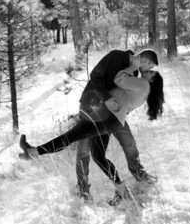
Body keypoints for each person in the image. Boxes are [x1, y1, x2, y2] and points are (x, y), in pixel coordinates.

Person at [19, 67, 164, 205]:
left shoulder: (143, 84)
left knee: (72, 136)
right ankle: (122, 190)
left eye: (151, 72)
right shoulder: (143, 90)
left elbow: (120, 79)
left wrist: (131, 65)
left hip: (105, 118)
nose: (147, 71)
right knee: (98, 156)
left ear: (152, 80)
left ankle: (34, 152)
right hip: (107, 118)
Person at [76, 48, 159, 200]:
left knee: (129, 142)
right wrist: (106, 98)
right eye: (150, 66)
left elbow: (125, 95)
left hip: (112, 114)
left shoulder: (133, 72)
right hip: (92, 106)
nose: (148, 70)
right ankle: (83, 190)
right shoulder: (117, 56)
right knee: (84, 151)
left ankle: (139, 174)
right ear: (145, 61)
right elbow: (95, 76)